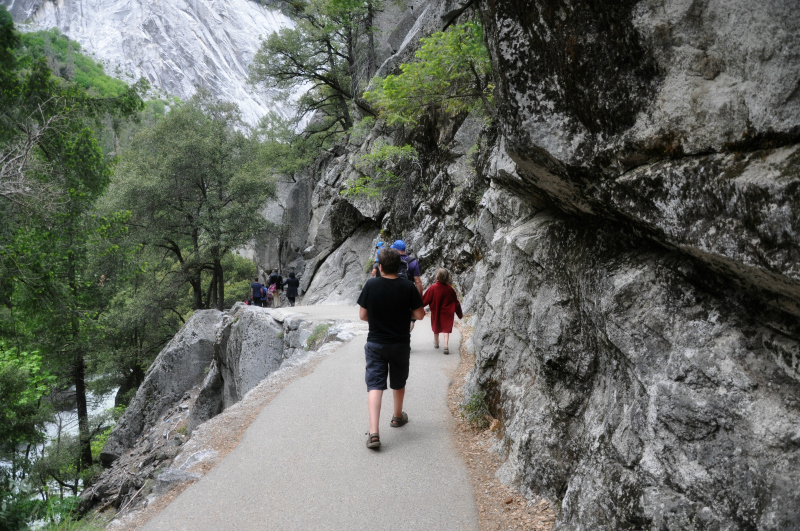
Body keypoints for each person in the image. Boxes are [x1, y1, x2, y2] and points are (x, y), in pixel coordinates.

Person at [357, 247, 425, 450]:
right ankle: (397, 416)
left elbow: (362, 315)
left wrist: (378, 318)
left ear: (380, 266)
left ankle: (374, 432)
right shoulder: (408, 287)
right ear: (400, 266)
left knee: (375, 384)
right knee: (398, 381)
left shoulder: (371, 285)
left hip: (376, 342)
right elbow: (420, 315)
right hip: (400, 343)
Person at [422, 268, 463, 355]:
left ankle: (436, 343)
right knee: (446, 329)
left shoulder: (432, 288)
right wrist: (459, 314)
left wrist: (418, 307)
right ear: (447, 278)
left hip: (436, 311)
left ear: (437, 276)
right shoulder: (450, 289)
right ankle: (446, 346)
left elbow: (425, 299)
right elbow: (456, 302)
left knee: (436, 326)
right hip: (448, 313)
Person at [391, 240, 422, 332]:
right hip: (408, 292)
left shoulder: (391, 260)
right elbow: (418, 282)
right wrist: (419, 297)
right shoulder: (413, 262)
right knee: (411, 318)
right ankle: (406, 335)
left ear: (396, 250)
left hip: (393, 292)